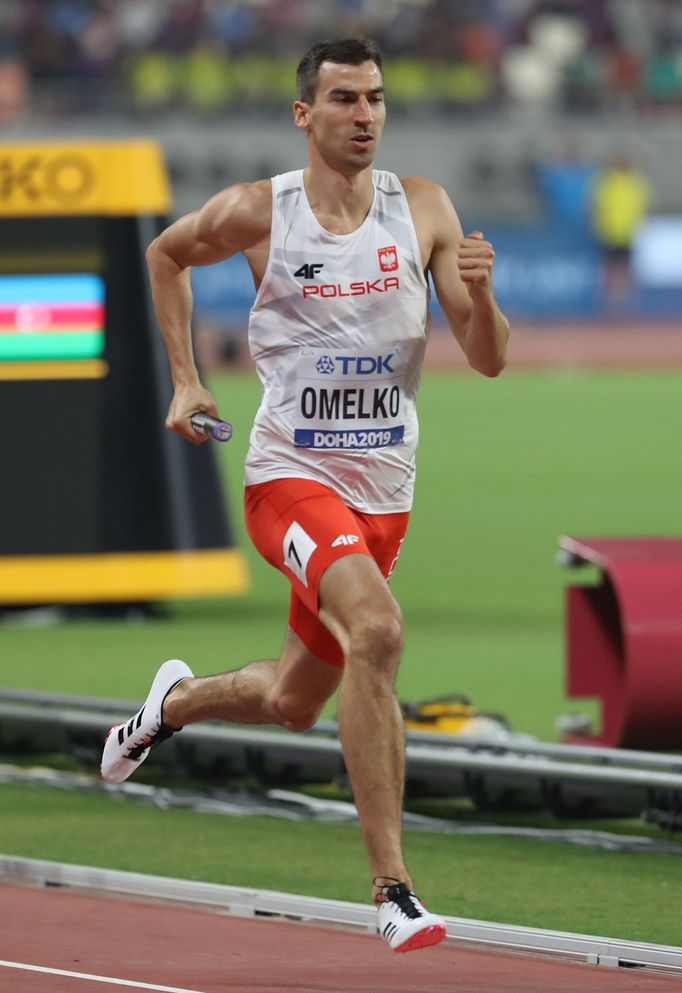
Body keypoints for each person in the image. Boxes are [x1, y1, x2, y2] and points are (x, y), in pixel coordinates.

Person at [101, 37, 509, 953]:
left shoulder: (426, 210)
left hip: (383, 495)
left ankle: (166, 706)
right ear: (306, 114)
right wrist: (186, 379)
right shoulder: (263, 212)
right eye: (344, 100)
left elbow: (485, 358)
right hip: (288, 479)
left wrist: (482, 298)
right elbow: (166, 255)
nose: (365, 114)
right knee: (379, 629)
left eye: (375, 98)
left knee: (293, 700)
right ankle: (393, 888)